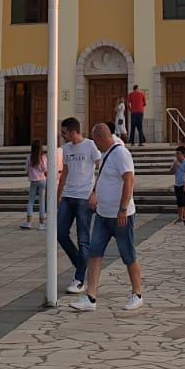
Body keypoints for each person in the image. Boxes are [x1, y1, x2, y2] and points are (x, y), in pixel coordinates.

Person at [70, 122, 143, 313]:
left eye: (96, 141)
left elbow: (129, 179)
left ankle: (137, 294)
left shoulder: (120, 153)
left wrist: (123, 209)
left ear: (102, 138)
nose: (95, 145)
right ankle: (91, 297)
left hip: (120, 216)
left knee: (128, 254)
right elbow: (103, 177)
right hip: (103, 214)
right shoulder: (105, 153)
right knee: (95, 253)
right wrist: (95, 192)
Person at [56, 116, 101, 295]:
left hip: (84, 197)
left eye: (64, 133)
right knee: (60, 233)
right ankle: (80, 262)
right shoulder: (66, 149)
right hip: (68, 195)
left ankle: (80, 278)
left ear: (74, 131)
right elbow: (65, 172)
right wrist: (58, 196)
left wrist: (95, 192)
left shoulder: (90, 146)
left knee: (83, 238)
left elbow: (101, 167)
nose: (62, 136)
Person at [21, 139, 47, 230]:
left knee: (31, 201)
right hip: (42, 180)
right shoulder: (42, 157)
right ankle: (41, 223)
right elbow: (45, 169)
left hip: (33, 180)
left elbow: (27, 170)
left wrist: (31, 173)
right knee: (42, 202)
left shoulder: (29, 157)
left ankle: (28, 222)